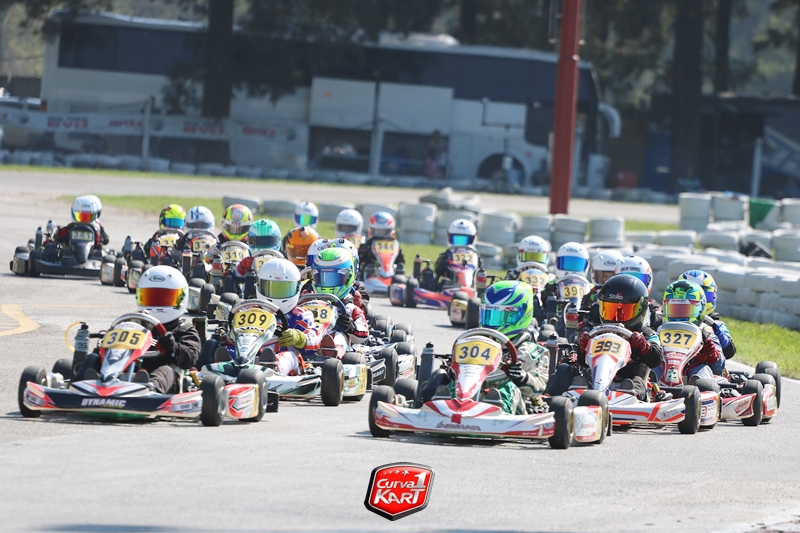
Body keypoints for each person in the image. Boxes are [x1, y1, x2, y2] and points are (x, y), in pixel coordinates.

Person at [74, 265, 202, 395]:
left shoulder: (184, 330)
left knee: (166, 371)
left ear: (181, 299)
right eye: (150, 297)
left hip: (163, 381)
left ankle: (149, 389)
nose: (156, 304)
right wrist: (106, 346)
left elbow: (190, 358)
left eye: (163, 298)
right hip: (125, 371)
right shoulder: (132, 323)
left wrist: (173, 347)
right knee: (93, 358)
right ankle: (79, 386)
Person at [548, 275, 664, 401]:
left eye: (624, 312)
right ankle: (565, 394)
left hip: (630, 382)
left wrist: (644, 346)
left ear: (640, 310)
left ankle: (628, 395)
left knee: (636, 382)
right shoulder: (597, 331)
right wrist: (582, 348)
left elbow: (657, 359)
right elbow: (583, 363)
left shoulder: (647, 333)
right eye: (611, 310)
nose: (616, 317)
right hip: (595, 381)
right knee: (567, 370)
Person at [478, 281, 550, 414]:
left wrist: (522, 377)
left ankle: (496, 412)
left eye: (499, 317)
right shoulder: (477, 343)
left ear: (519, 315)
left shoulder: (533, 352)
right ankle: (446, 404)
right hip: (473, 393)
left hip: (514, 407)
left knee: (508, 388)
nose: (492, 323)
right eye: (489, 316)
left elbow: (539, 388)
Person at [255, 258, 322, 377]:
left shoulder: (300, 315)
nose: (277, 294)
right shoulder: (251, 311)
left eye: (283, 289)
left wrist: (299, 338)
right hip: (252, 358)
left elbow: (315, 343)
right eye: (272, 288)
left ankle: (271, 369)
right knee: (230, 350)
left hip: (288, 364)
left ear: (296, 288)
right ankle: (224, 368)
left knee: (287, 356)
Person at [660, 280, 724, 382]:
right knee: (654, 368)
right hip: (665, 371)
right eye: (674, 310)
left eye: (685, 310)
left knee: (703, 370)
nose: (679, 316)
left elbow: (719, 366)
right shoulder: (660, 331)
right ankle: (648, 386)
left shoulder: (706, 332)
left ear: (700, 309)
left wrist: (712, 353)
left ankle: (700, 385)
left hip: (693, 374)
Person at [312, 248, 370, 346]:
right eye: (322, 278)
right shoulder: (309, 304)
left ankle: (332, 350)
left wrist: (350, 327)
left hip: (338, 345)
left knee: (338, 337)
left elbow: (363, 334)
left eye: (333, 279)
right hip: (309, 340)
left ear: (348, 277)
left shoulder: (350, 309)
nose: (328, 285)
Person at [679, 270, 736, 360]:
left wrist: (715, 330)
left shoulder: (716, 325)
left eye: (705, 296)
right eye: (692, 296)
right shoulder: (669, 319)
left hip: (702, 364)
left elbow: (729, 351)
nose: (699, 301)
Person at [615, 255, 661, 329]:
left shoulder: (653, 308)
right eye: (625, 279)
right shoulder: (607, 303)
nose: (633, 285)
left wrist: (654, 318)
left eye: (639, 279)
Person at [432, 219, 480, 289]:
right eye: (456, 240)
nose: (460, 245)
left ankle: (468, 287)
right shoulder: (447, 255)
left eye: (464, 241)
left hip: (471, 287)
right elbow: (437, 271)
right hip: (447, 286)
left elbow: (480, 270)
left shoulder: (475, 257)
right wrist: (442, 264)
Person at [580, 250, 624, 322]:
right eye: (603, 276)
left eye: (611, 276)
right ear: (594, 274)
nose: (606, 280)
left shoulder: (625, 295)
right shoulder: (589, 293)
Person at [358, 211, 405, 277]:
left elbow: (401, 261)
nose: (380, 234)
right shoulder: (367, 246)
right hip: (367, 277)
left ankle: (394, 273)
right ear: (371, 230)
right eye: (377, 231)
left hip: (391, 276)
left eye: (384, 231)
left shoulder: (394, 245)